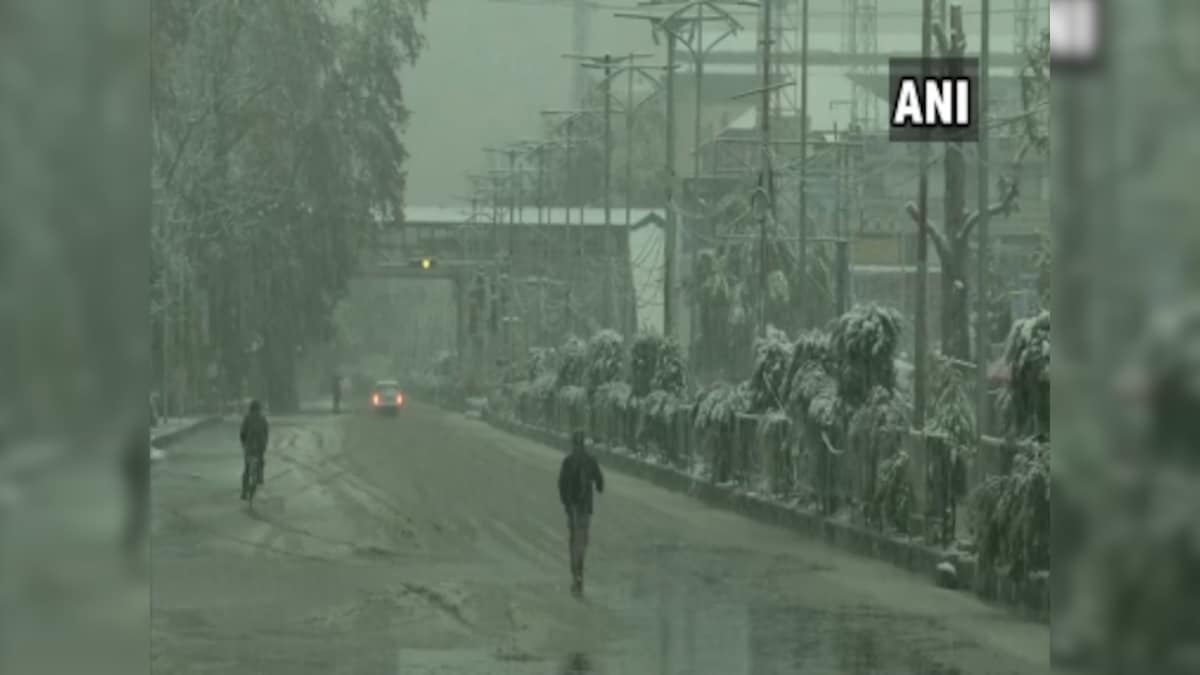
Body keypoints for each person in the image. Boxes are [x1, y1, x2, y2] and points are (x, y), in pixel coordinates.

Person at [557, 430, 604, 596]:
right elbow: (600, 483)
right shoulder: (590, 460)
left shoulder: (568, 461)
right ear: (583, 443)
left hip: (573, 508)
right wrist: (596, 485)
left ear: (573, 444)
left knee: (574, 539)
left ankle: (575, 573)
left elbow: (561, 485)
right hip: (585, 507)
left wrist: (566, 504)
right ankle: (579, 572)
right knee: (582, 539)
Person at [239, 400, 270, 500]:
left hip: (249, 448)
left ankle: (244, 491)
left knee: (247, 469)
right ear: (259, 409)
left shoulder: (247, 419)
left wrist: (244, 443)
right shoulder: (263, 419)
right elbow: (266, 433)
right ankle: (259, 479)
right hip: (260, 448)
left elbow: (242, 433)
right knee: (260, 464)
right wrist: (264, 445)